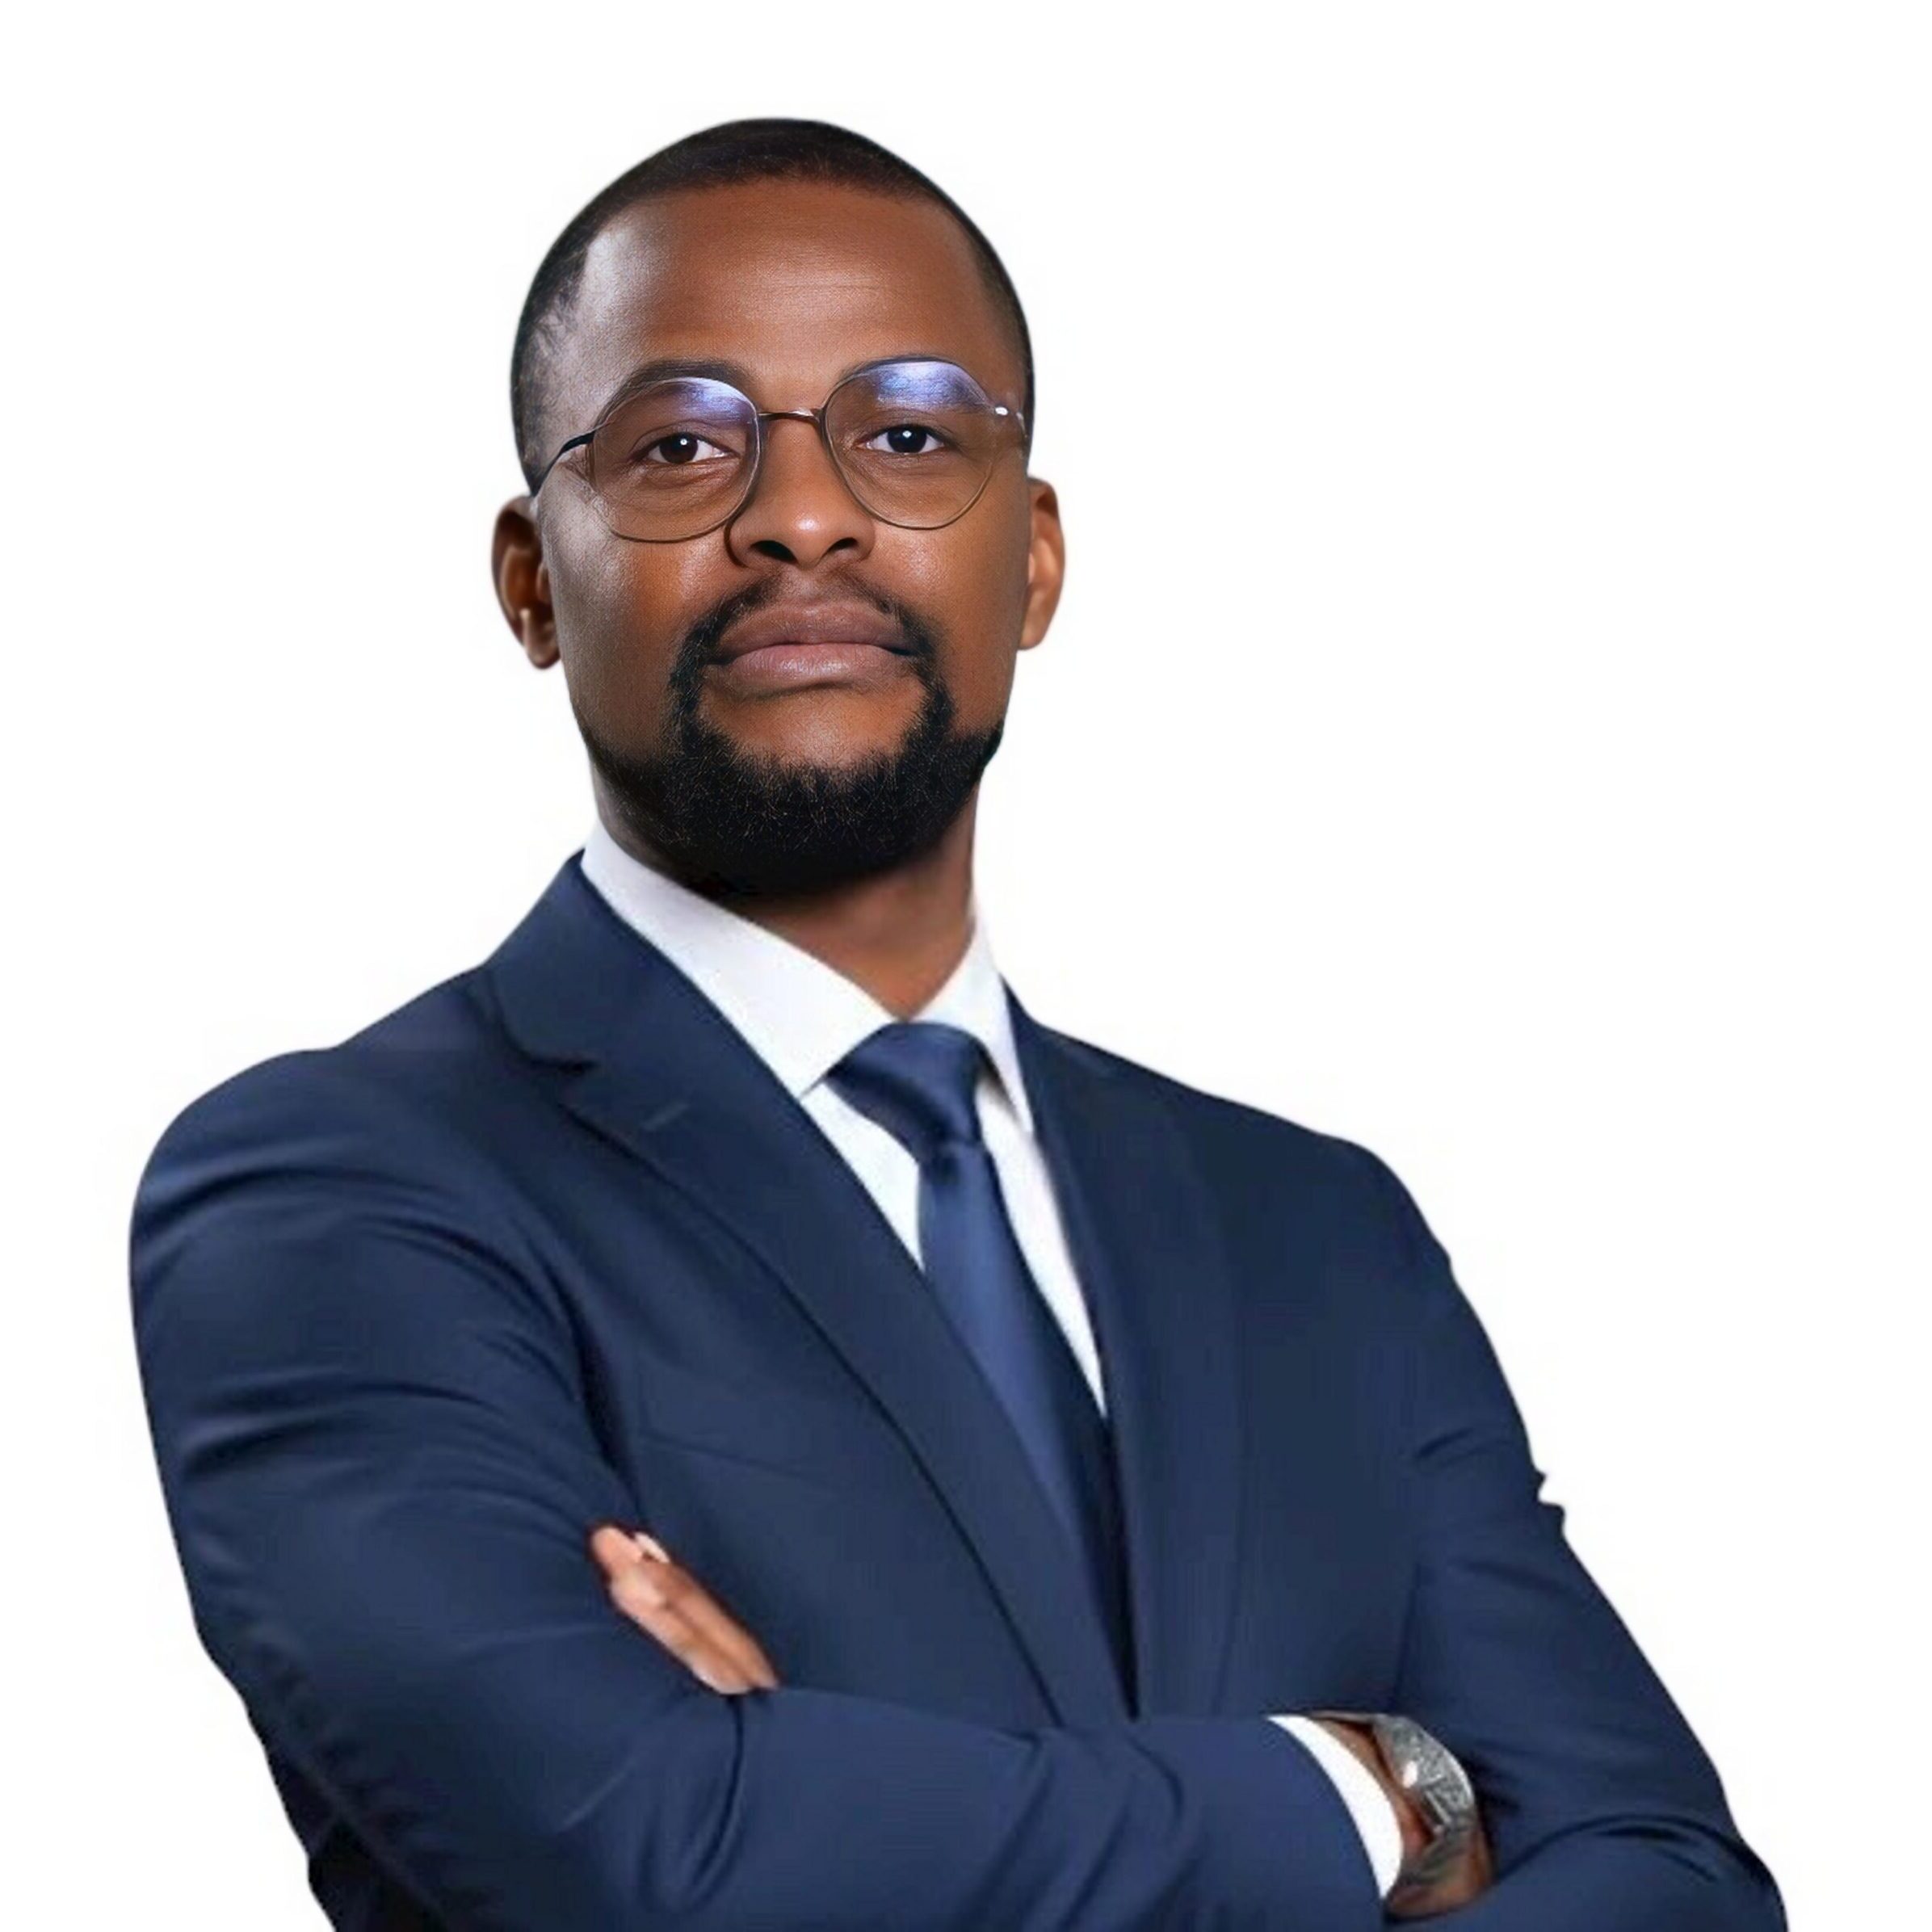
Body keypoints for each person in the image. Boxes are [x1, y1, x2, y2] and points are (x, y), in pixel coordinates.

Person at [129, 117, 1785, 1930]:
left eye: (909, 433)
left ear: (1036, 559)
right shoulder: (336, 1193)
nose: (804, 512)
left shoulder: (1318, 1232)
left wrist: (827, 1793)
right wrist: (1384, 1793)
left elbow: (1672, 1885)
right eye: (681, 444)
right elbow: (654, 1855)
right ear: (534, 578)